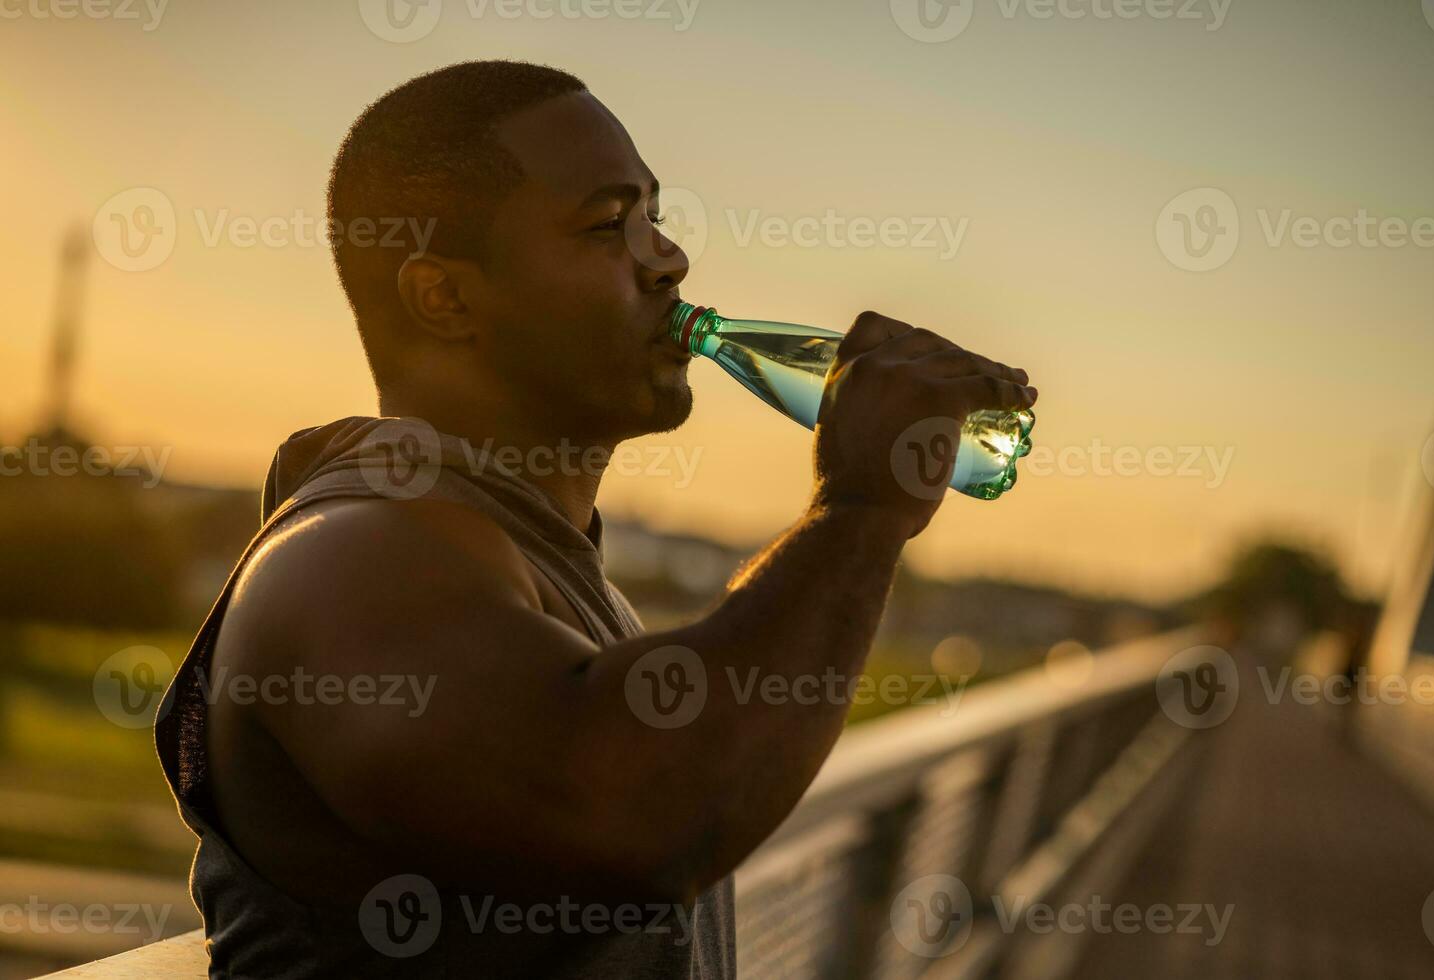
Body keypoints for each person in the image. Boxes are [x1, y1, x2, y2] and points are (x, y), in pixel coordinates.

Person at [155, 59, 1037, 978]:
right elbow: (634, 814)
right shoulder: (347, 557)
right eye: (609, 226)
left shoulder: (539, 563)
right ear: (444, 296)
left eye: (657, 218)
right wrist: (858, 512)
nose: (669, 259)